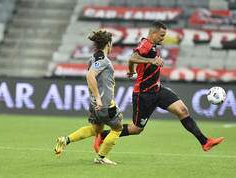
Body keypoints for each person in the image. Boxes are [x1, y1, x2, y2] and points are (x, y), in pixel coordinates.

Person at [94, 21, 224, 153]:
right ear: (153, 33)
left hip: (157, 90)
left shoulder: (153, 46)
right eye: (161, 35)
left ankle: (205, 142)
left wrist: (131, 70)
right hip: (144, 94)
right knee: (136, 129)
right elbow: (132, 57)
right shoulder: (146, 44)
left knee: (182, 111)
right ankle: (102, 136)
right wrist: (150, 61)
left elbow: (132, 61)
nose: (163, 38)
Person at [54, 30, 123, 165]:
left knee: (96, 130)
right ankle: (101, 157)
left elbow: (92, 79)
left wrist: (94, 98)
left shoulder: (92, 58)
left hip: (93, 104)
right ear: (108, 44)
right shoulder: (103, 60)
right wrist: (98, 98)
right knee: (117, 128)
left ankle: (65, 140)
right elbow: (90, 76)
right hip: (103, 104)